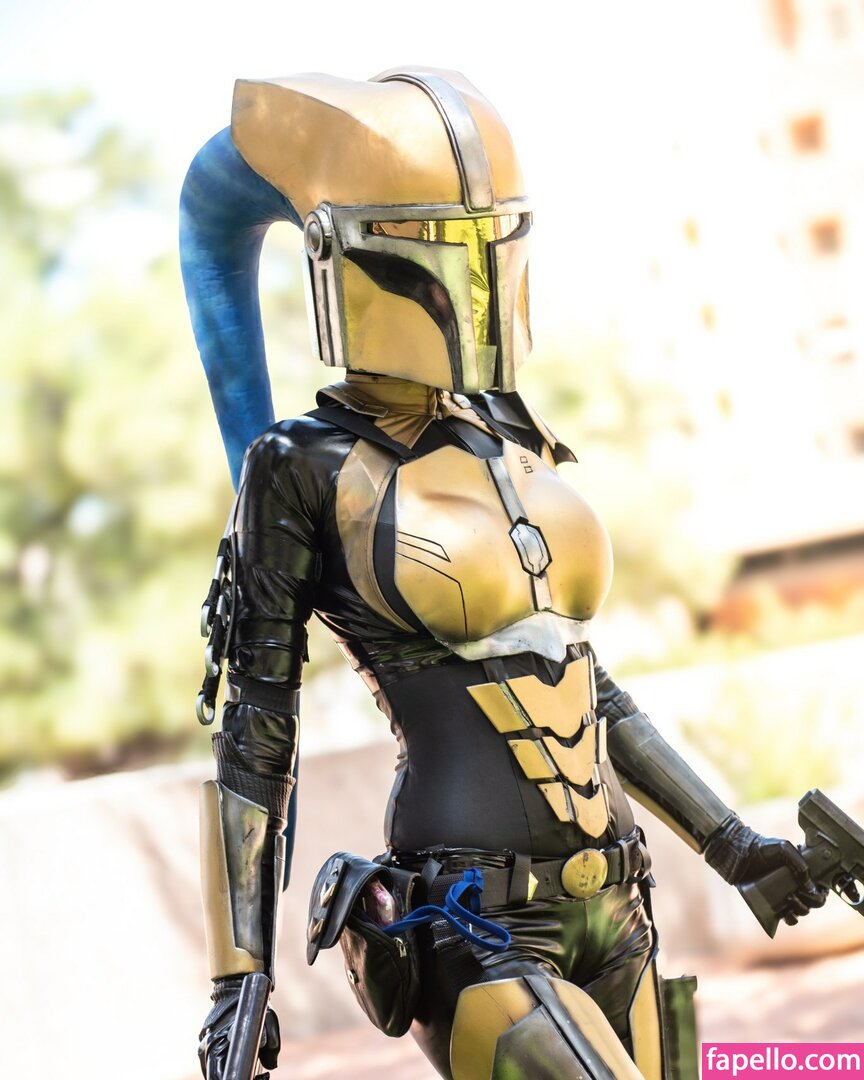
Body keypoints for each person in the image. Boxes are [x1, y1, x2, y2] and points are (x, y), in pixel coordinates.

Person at [180, 69, 826, 1080]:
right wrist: (237, 974)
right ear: (344, 255)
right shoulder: (301, 466)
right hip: (469, 921)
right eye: (428, 248)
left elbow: (586, 687)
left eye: (485, 243)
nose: (465, 281)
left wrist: (734, 844)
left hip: (619, 908)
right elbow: (257, 733)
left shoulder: (507, 436)